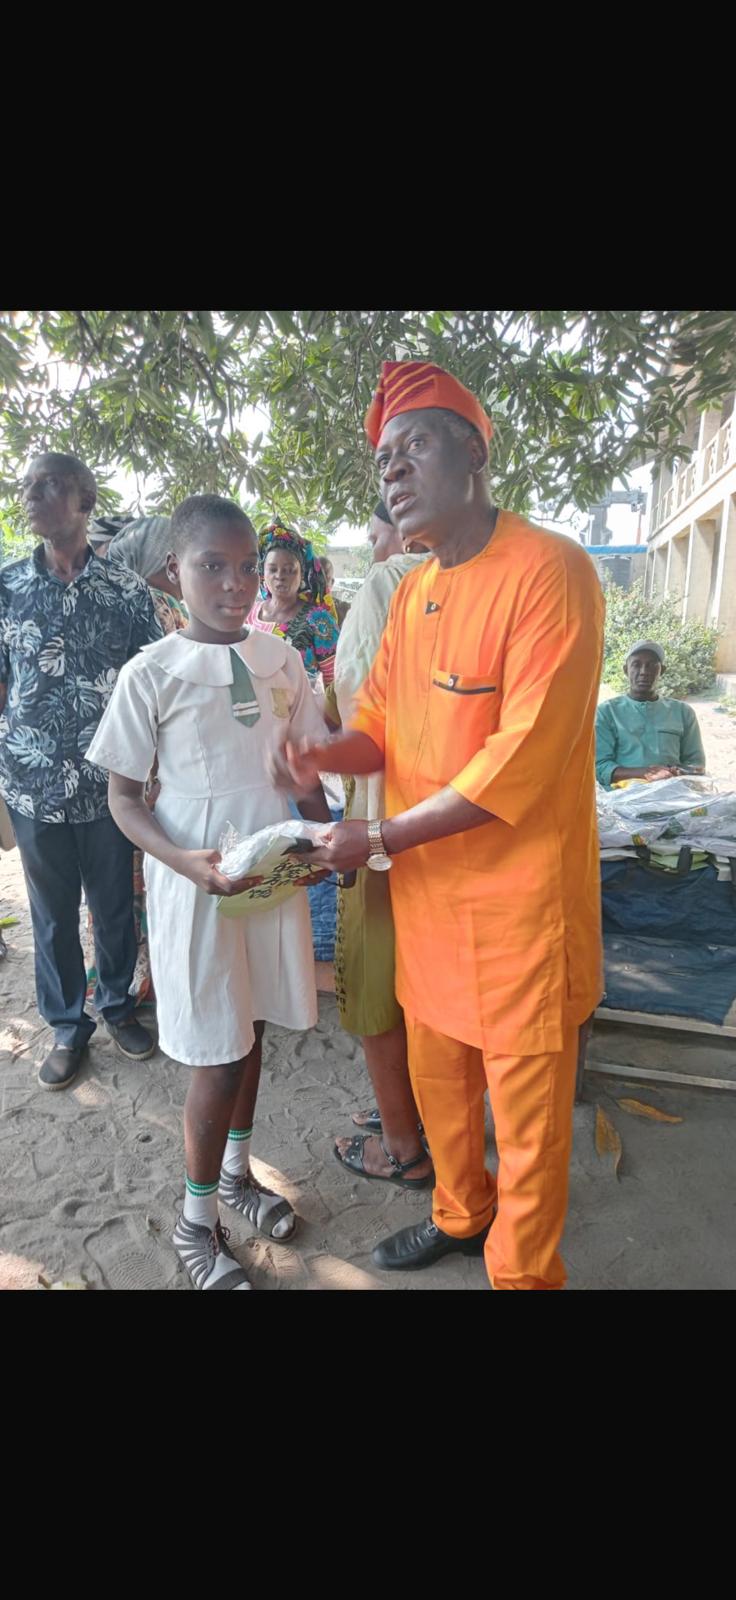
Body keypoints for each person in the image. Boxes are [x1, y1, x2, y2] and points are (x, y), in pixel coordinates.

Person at [269, 360, 604, 1291]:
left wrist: (372, 842)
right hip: (428, 902)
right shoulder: (412, 594)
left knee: (528, 1125)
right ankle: (460, 1215)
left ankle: (523, 1277)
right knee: (443, 1087)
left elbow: (518, 767)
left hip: (518, 916)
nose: (393, 472)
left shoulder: (552, 572)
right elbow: (376, 722)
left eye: (414, 446)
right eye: (383, 459)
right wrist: (321, 756)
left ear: (474, 451)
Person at [87, 495, 332, 1291]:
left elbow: (306, 765)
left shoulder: (281, 660)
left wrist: (325, 832)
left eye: (244, 565)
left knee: (252, 1024)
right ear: (172, 574)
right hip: (195, 877)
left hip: (270, 866)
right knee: (215, 1052)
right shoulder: (150, 673)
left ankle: (236, 1177)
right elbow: (125, 799)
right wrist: (183, 862)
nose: (234, 583)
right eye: (211, 566)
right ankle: (198, 1226)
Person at [0, 453, 161, 1091]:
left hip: (108, 788)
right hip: (32, 785)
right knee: (51, 913)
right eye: (29, 486)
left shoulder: (126, 592)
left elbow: (154, 686)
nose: (34, 495)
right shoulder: (6, 585)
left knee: (114, 907)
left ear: (85, 498)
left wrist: (153, 770)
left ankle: (117, 1006)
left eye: (51, 485)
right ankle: (68, 1026)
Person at [327, 499, 432, 1189]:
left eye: (373, 537)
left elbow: (358, 701)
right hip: (456, 824)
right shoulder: (489, 578)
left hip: (385, 825)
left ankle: (402, 1147)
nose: (372, 551)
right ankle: (424, 1115)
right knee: (433, 988)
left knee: (374, 983)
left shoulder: (389, 582)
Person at [83, 516, 190, 1007]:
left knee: (118, 881)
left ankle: (123, 978)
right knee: (141, 876)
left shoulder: (130, 600)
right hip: (149, 767)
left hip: (120, 758)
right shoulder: (160, 604)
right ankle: (143, 979)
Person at [595, 639, 706, 787]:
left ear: (662, 671)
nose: (644, 672)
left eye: (652, 665)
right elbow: (600, 766)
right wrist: (646, 773)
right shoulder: (607, 712)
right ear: (626, 670)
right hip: (622, 798)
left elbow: (696, 765)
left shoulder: (683, 712)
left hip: (673, 794)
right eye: (636, 664)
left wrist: (676, 773)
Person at [247, 521, 339, 686]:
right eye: (272, 569)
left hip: (302, 710)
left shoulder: (319, 620)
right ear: (263, 572)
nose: (280, 576)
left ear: (302, 573)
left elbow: (335, 680)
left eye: (289, 570)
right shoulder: (250, 614)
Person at [320, 557, 349, 627]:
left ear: (332, 582)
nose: (320, 581)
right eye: (316, 576)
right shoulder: (299, 608)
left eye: (325, 578)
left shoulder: (344, 610)